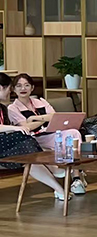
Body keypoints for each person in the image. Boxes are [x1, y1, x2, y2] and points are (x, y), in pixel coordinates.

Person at [7, 74, 88, 195]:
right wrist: (45, 119)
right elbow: (26, 127)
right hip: (34, 138)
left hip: (51, 133)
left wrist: (35, 118)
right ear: (14, 89)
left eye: (26, 85)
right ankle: (75, 173)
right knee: (66, 138)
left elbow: (55, 117)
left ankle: (76, 178)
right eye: (19, 86)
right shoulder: (13, 108)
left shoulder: (40, 101)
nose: (23, 88)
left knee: (73, 133)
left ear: (32, 88)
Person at [0, 73, 70, 201]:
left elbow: (54, 116)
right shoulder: (11, 108)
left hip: (5, 143)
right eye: (9, 89)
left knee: (29, 155)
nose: (9, 93)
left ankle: (60, 190)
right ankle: (53, 169)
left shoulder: (3, 108)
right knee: (24, 139)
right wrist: (15, 128)